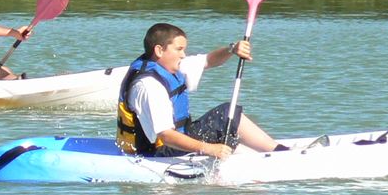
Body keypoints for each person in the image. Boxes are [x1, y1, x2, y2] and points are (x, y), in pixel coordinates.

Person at [116, 22, 284, 159]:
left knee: (226, 124)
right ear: (159, 50)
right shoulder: (148, 85)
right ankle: (279, 152)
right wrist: (208, 148)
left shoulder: (169, 66)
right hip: (157, 152)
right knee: (225, 114)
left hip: (175, 141)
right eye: (179, 49)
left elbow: (209, 60)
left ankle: (272, 150)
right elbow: (165, 135)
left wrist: (232, 49)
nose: (183, 55)